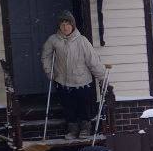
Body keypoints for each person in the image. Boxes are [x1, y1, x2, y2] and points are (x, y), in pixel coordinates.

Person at [41, 11, 107, 140]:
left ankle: (85, 129)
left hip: (82, 81)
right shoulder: (53, 40)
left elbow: (92, 61)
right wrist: (50, 72)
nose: (65, 27)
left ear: (73, 25)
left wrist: (102, 77)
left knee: (83, 107)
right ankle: (72, 130)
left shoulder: (82, 41)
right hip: (62, 81)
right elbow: (46, 57)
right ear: (59, 26)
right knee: (69, 108)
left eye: (68, 24)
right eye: (63, 24)